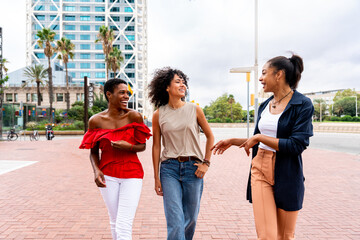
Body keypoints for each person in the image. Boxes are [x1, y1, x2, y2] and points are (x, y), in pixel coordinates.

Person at [212, 54, 314, 240]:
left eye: (264, 73)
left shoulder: (302, 104)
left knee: (285, 236)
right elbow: (259, 140)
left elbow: (296, 145)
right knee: (267, 236)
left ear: (279, 75)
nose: (260, 78)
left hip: (288, 171)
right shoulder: (265, 106)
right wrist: (234, 141)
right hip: (260, 168)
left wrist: (259, 137)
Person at [79, 78, 151, 240]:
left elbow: (142, 146)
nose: (126, 96)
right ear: (109, 95)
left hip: (132, 175)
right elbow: (93, 152)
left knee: (124, 223)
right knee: (114, 221)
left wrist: (128, 147)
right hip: (108, 175)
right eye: (122, 93)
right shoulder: (95, 121)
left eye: (127, 93)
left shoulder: (135, 117)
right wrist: (96, 170)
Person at [149, 67, 214, 240]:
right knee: (175, 220)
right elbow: (156, 147)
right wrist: (156, 177)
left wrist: (206, 163)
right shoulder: (158, 114)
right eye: (177, 82)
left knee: (190, 218)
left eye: (183, 82)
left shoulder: (194, 109)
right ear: (167, 87)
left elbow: (210, 136)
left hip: (193, 168)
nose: (182, 85)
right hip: (168, 169)